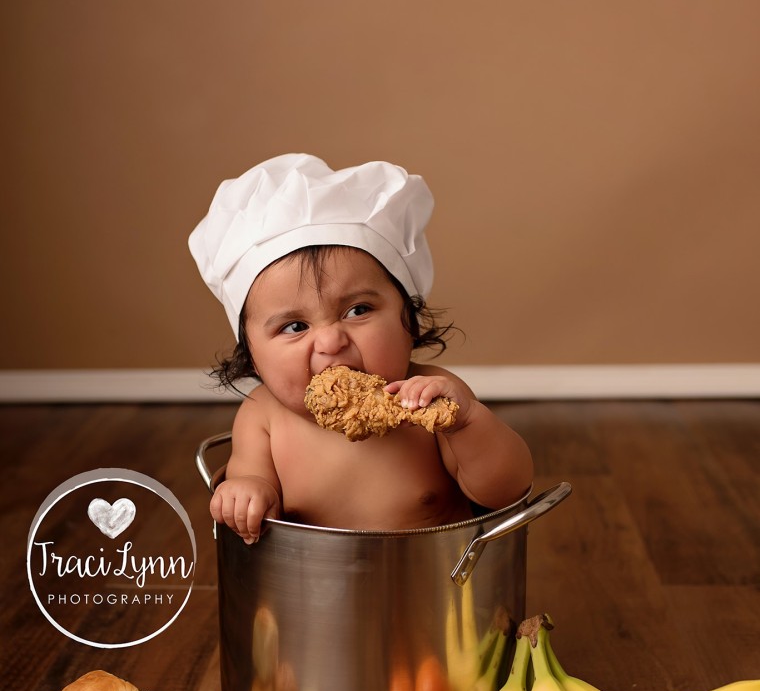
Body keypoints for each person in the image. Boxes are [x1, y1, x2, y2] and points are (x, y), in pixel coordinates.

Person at [189, 154, 533, 542]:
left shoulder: (432, 400)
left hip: (439, 587)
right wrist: (248, 493)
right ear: (251, 356)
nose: (332, 341)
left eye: (358, 310)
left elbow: (506, 492)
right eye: (295, 326)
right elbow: (250, 480)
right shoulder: (262, 417)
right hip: (311, 593)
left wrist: (468, 424)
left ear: (410, 319)